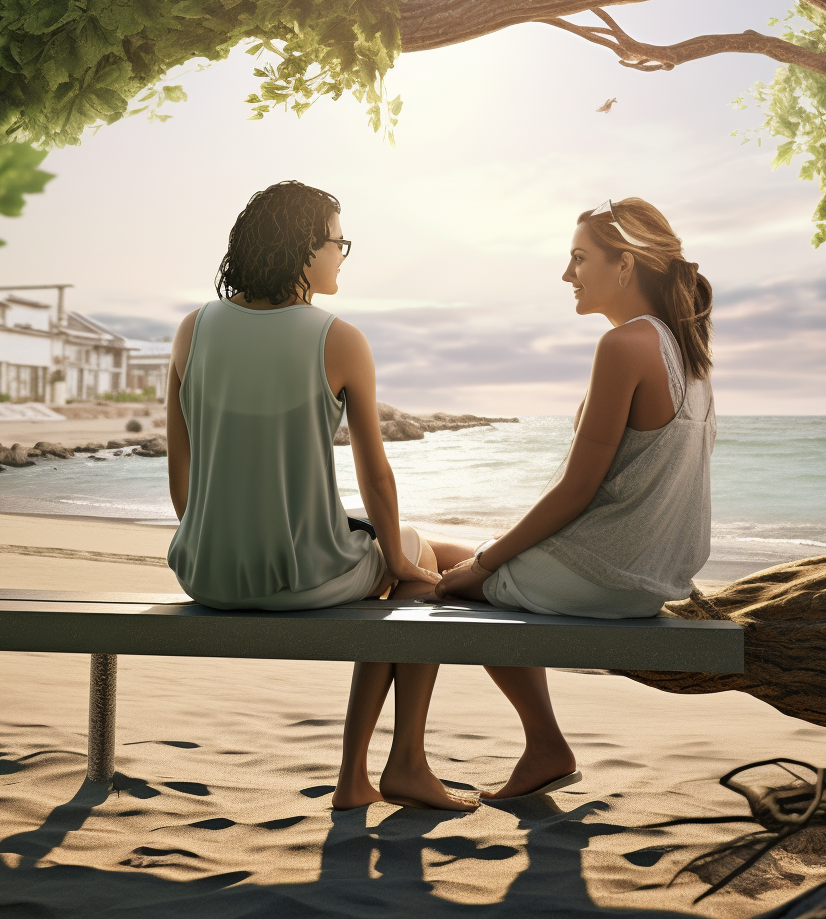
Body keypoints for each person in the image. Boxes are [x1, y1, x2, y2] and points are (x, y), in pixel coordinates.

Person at [165, 180, 476, 811]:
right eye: (340, 242)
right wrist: (397, 558)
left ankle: (362, 779)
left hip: (203, 573)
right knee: (422, 566)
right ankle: (396, 767)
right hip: (297, 580)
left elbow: (181, 475)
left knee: (414, 552)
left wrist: (222, 540)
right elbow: (376, 476)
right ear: (305, 248)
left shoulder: (191, 329)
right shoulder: (337, 337)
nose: (342, 256)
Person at [436, 197, 716, 799]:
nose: (567, 275)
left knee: (426, 574)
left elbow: (577, 489)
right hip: (648, 580)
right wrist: (485, 561)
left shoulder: (626, 346)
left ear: (626, 264)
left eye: (579, 258)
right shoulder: (689, 356)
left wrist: (484, 565)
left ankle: (539, 746)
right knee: (443, 556)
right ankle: (541, 747)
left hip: (600, 573)